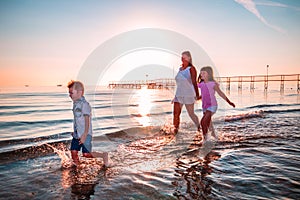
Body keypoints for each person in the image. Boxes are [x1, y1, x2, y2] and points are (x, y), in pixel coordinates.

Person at [68, 80, 109, 167]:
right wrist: (75, 131)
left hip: (85, 134)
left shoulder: (85, 105)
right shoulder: (75, 104)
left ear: (80, 92)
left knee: (86, 154)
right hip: (77, 134)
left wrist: (84, 134)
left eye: (71, 93)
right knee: (73, 152)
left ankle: (103, 155)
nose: (70, 95)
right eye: (69, 93)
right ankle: (78, 168)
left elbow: (87, 120)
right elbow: (77, 120)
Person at [197, 66, 235, 143]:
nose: (201, 75)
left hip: (212, 106)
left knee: (203, 122)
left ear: (209, 74)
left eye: (204, 73)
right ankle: (214, 136)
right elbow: (203, 93)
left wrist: (229, 102)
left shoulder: (213, 84)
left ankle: (205, 140)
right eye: (201, 73)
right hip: (204, 106)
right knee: (209, 123)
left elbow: (221, 93)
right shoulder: (201, 84)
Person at [172, 51, 201, 133]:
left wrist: (197, 95)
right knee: (176, 114)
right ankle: (175, 131)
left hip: (188, 94)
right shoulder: (180, 69)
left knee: (191, 114)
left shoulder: (191, 69)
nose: (183, 58)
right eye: (182, 57)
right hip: (179, 94)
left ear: (189, 58)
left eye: (185, 57)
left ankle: (199, 127)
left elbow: (194, 82)